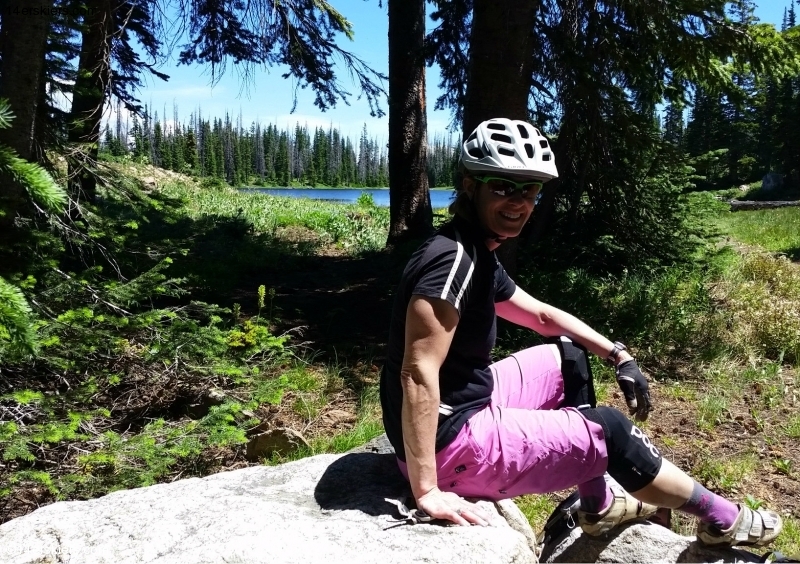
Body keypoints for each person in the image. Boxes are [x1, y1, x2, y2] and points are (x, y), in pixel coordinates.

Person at [379, 117, 782, 547]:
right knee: (608, 428)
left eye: (529, 189)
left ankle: (598, 505)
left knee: (566, 358)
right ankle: (724, 520)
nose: (518, 201)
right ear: (470, 185)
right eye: (502, 186)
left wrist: (617, 354)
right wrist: (427, 490)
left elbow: (542, 317)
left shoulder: (475, 250)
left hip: (464, 409)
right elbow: (418, 372)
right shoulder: (452, 261)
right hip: (449, 445)